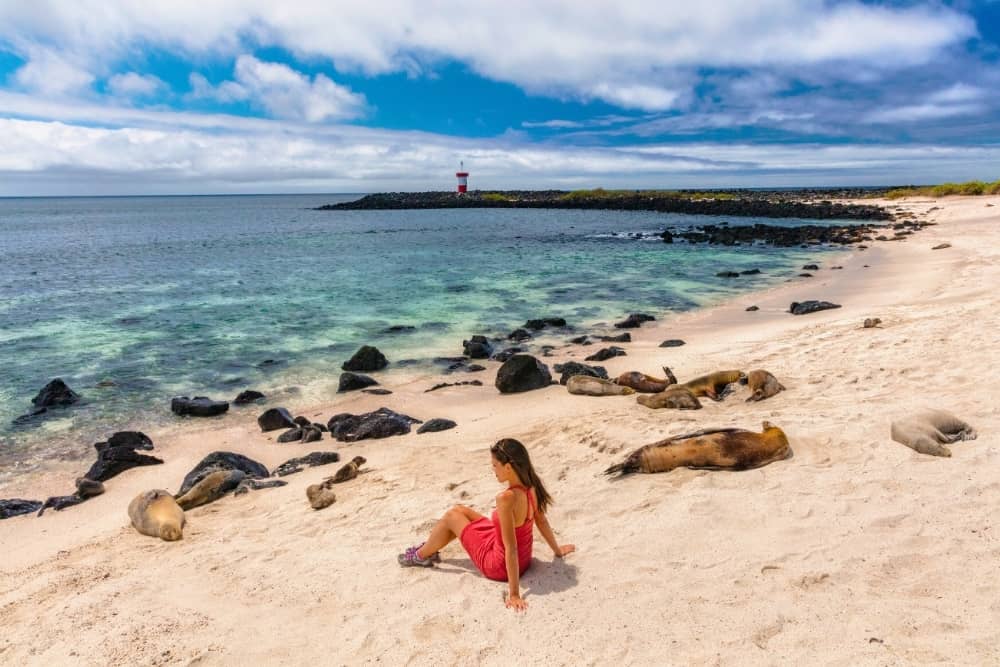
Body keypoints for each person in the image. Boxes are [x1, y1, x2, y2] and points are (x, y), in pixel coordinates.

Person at [398, 438, 575, 611]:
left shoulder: (506, 498)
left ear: (508, 467)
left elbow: (511, 548)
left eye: (495, 465)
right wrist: (557, 551)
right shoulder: (531, 488)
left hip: (499, 566)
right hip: (522, 559)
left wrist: (514, 594)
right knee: (461, 510)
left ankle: (419, 556)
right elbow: (541, 521)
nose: (493, 470)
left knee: (452, 516)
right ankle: (430, 549)